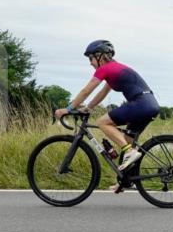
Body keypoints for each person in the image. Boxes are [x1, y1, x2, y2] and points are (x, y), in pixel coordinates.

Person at [54, 40, 161, 193]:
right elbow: (102, 93)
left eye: (91, 58)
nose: (90, 63)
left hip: (141, 104)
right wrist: (88, 108)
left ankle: (130, 152)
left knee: (103, 122)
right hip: (150, 105)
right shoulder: (115, 69)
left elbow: (86, 91)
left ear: (100, 56)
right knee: (127, 141)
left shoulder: (105, 68)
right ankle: (125, 181)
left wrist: (68, 108)